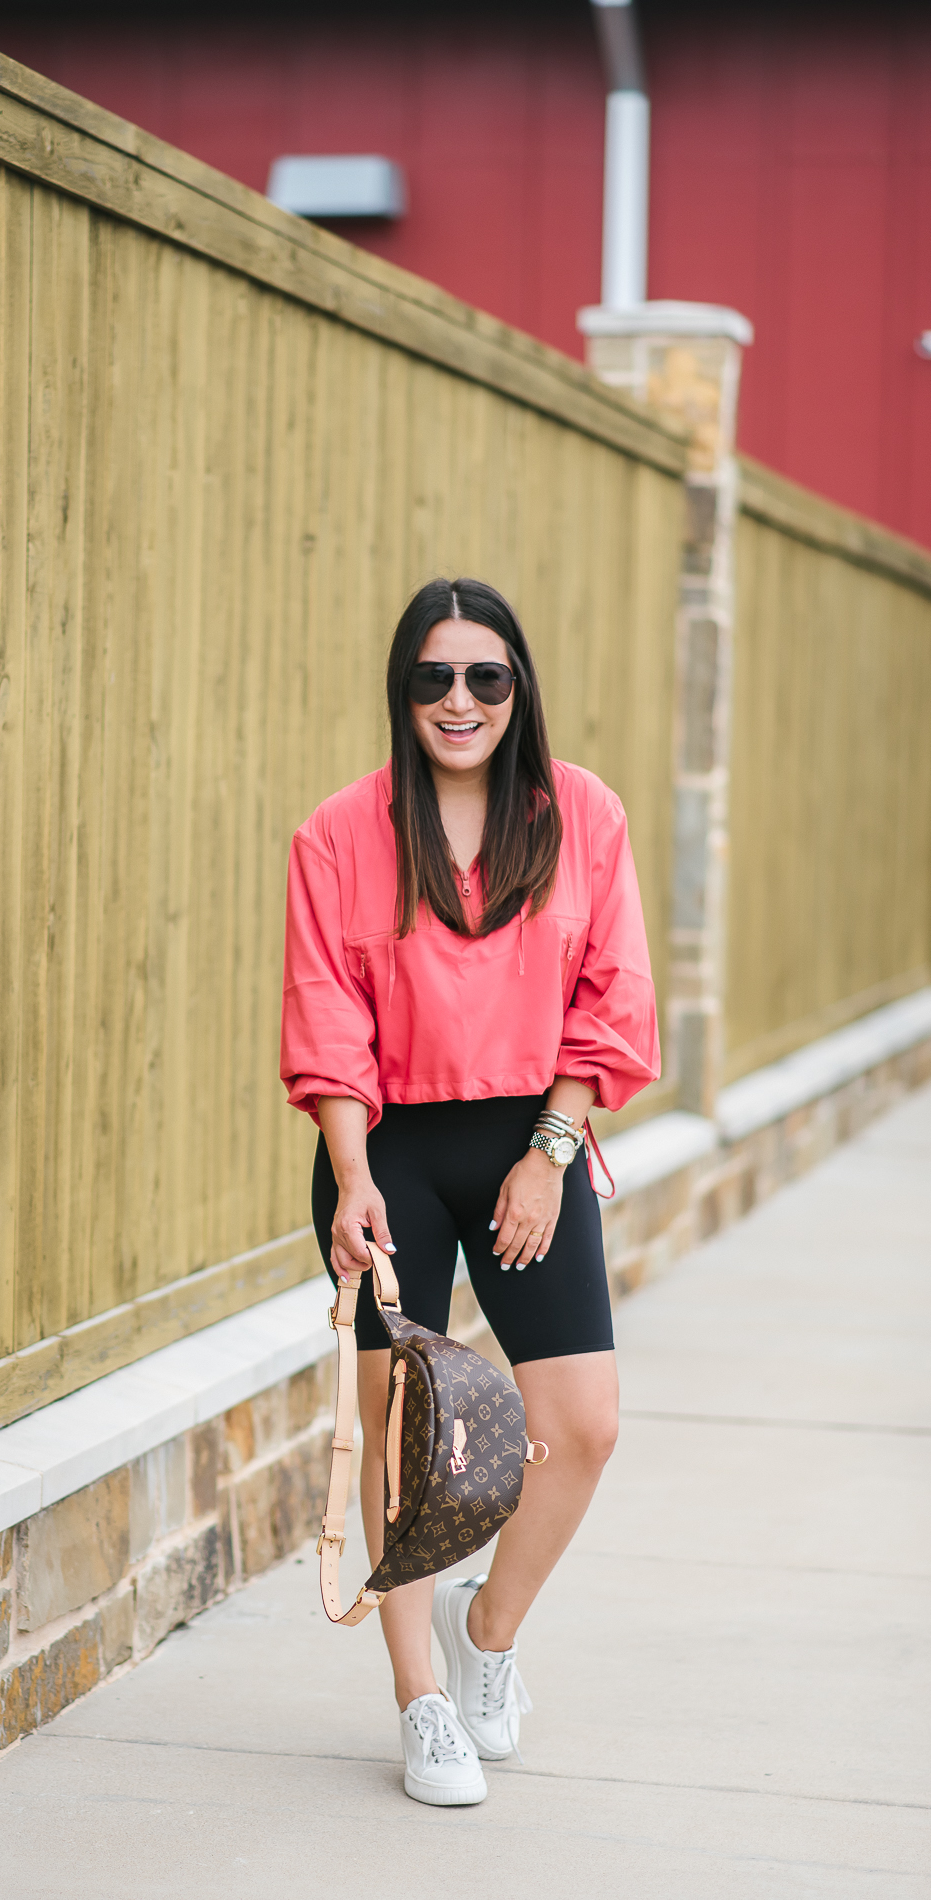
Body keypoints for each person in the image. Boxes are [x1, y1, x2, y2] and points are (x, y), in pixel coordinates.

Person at [280, 576, 659, 1807]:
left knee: (585, 1422)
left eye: (485, 677)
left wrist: (549, 1153)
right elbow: (328, 1014)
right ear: (405, 692)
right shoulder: (341, 833)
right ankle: (420, 1702)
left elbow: (613, 1000)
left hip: (529, 1138)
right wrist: (348, 1180)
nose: (460, 699)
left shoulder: (580, 818)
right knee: (400, 1437)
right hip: (387, 1147)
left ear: (517, 690)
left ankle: (482, 1633)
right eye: (434, 677)